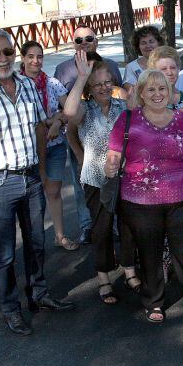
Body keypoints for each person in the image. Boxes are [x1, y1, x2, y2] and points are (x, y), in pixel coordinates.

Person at [0, 29, 74, 336]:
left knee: (37, 242)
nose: (2, 59)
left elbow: (38, 127)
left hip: (32, 176)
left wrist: (43, 168)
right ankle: (11, 308)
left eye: (7, 51)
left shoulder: (25, 84)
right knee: (5, 251)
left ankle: (38, 295)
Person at [105, 70, 183, 323]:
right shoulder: (126, 119)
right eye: (151, 90)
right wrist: (110, 166)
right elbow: (113, 155)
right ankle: (153, 302)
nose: (157, 94)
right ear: (141, 94)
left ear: (170, 92)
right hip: (140, 201)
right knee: (149, 254)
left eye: (162, 89)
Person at [63, 50, 140, 304]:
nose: (104, 88)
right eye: (97, 84)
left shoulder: (122, 106)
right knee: (102, 228)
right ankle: (104, 277)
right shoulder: (85, 109)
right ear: (89, 88)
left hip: (126, 177)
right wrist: (81, 76)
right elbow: (69, 115)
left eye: (108, 82)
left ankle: (129, 270)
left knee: (128, 226)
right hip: (95, 177)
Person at [55, 24, 123, 245]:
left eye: (89, 38)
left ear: (97, 40)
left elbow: (120, 95)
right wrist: (79, 153)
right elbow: (70, 118)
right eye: (78, 39)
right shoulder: (64, 69)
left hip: (117, 162)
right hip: (84, 143)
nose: (84, 42)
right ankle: (89, 227)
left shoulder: (110, 65)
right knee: (86, 194)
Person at [19, 40, 79, 251]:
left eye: (40, 56)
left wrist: (59, 121)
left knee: (53, 190)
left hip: (54, 145)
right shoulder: (15, 84)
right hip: (27, 148)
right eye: (31, 56)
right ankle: (33, 241)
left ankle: (60, 235)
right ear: (23, 58)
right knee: (31, 197)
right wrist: (50, 121)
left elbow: (68, 108)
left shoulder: (52, 83)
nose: (36, 61)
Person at [123, 25, 165, 95]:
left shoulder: (167, 64)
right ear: (138, 46)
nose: (148, 46)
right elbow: (130, 91)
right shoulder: (131, 67)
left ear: (159, 43)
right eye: (143, 43)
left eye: (151, 42)